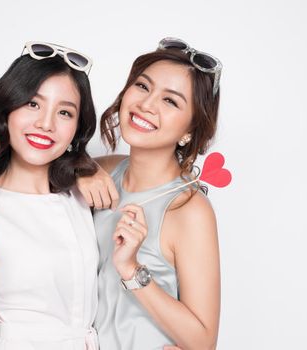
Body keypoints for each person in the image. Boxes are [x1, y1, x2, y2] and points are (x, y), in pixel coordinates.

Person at [0, 42, 101, 350]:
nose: (46, 123)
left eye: (64, 112)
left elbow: (138, 168)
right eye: (33, 104)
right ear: (8, 108)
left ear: (76, 129)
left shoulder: (81, 195)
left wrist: (94, 170)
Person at [77, 37, 222, 349]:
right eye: (143, 86)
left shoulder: (188, 209)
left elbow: (203, 341)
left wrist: (131, 269)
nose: (146, 104)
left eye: (170, 101)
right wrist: (76, 170)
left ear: (189, 132)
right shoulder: (105, 170)